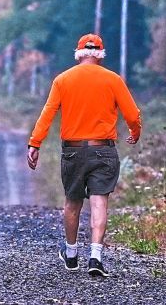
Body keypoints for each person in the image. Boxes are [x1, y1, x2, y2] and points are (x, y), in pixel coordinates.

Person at [26, 33, 141, 278]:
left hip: (73, 150)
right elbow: (131, 114)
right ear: (100, 53)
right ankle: (96, 257)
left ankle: (70, 253)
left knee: (72, 201)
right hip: (103, 149)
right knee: (99, 201)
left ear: (79, 53)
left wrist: (35, 143)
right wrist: (135, 130)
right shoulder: (113, 80)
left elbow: (48, 113)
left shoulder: (63, 79)